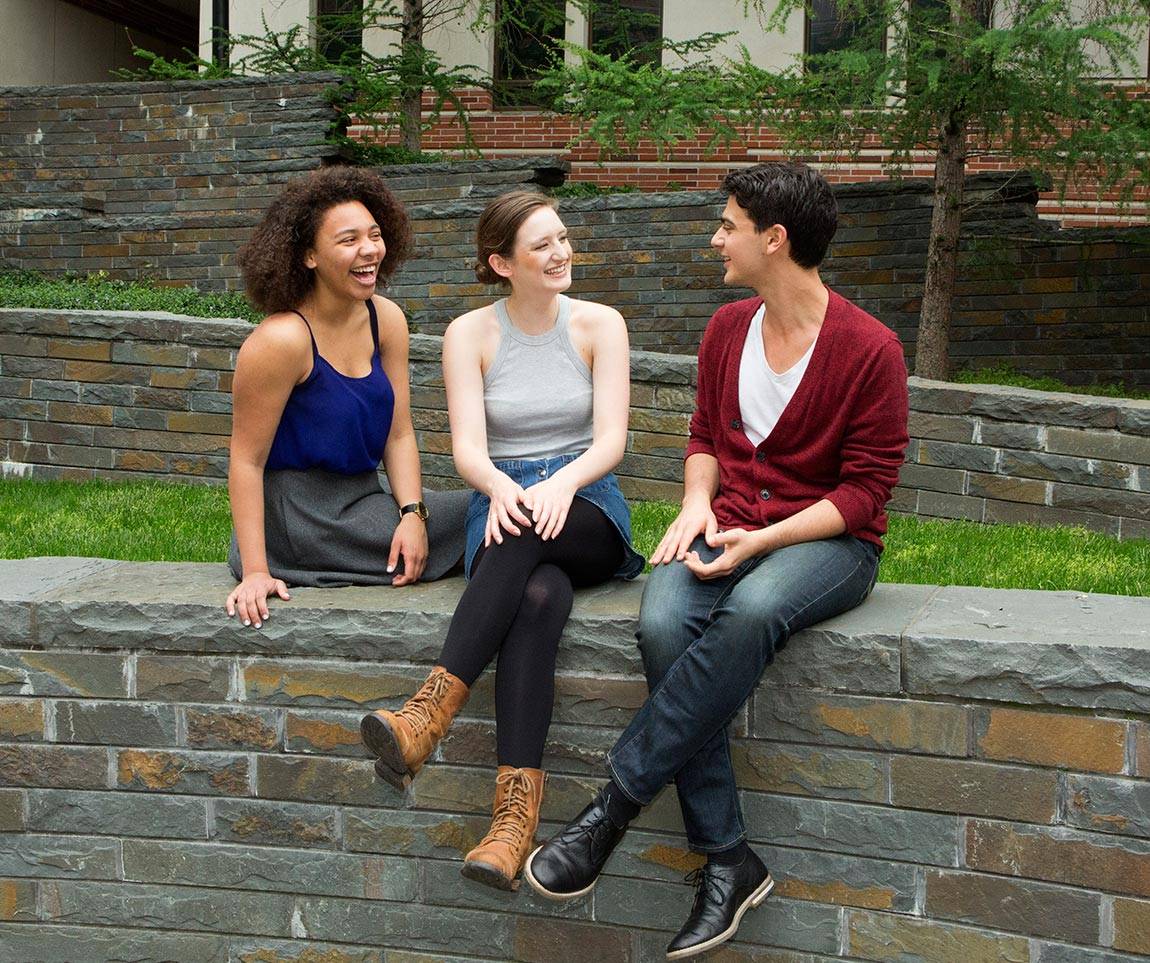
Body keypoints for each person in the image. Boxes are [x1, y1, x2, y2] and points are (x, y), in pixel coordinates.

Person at [524, 163, 910, 959]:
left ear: (775, 239)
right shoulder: (727, 328)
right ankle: (729, 858)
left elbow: (866, 492)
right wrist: (697, 502)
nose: (715, 238)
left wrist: (765, 540)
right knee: (664, 622)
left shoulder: (871, 349)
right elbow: (704, 436)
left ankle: (612, 807)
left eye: (728, 224)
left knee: (754, 608)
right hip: (725, 521)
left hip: (831, 545)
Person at [360, 190, 644, 892]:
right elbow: (468, 451)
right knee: (538, 596)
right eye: (542, 245)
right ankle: (511, 830)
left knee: (523, 539)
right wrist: (503, 486)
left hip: (586, 504)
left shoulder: (601, 324)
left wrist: (560, 485)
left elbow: (611, 440)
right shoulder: (469, 334)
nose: (561, 252)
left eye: (562, 238)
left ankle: (427, 716)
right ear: (501, 263)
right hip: (505, 499)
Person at [225, 166, 468, 627]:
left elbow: (398, 433)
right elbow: (246, 461)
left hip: (364, 501)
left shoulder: (386, 320)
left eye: (375, 235)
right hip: (299, 522)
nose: (370, 250)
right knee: (491, 520)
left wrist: (413, 515)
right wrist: (256, 571)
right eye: (349, 240)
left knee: (495, 511)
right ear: (308, 256)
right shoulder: (281, 340)